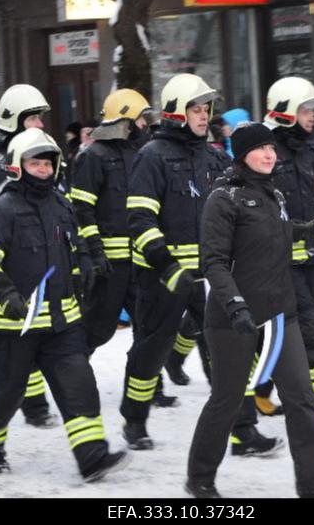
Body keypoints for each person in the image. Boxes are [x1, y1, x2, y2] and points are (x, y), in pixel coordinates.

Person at [186, 123, 314, 499]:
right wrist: (234, 304)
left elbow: (272, 240)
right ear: (242, 155)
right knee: (228, 400)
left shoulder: (274, 194)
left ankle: (313, 485)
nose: (270, 154)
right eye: (261, 149)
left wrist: (306, 230)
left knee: (301, 398)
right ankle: (200, 479)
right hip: (233, 320)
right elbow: (215, 262)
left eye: (272, 148)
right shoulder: (224, 198)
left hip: (278, 314)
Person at [0, 128, 128, 480]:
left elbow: (76, 244)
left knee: (79, 387)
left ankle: (92, 457)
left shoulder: (61, 205)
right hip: (14, 326)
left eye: (47, 164)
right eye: (35, 163)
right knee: (4, 394)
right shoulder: (0, 210)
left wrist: (86, 265)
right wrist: (6, 293)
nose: (42, 170)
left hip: (62, 322)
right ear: (17, 166)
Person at [121, 73, 235, 449]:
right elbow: (140, 218)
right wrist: (166, 265)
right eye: (196, 109)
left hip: (209, 275)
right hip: (162, 275)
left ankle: (242, 426)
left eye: (206, 109)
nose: (204, 116)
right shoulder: (151, 157)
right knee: (152, 349)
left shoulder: (214, 156)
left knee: (227, 346)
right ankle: (135, 419)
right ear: (175, 113)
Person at [0, 83, 57, 428]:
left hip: (42, 260)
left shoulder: (44, 153)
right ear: (14, 120)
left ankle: (34, 403)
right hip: (5, 265)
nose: (40, 125)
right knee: (15, 339)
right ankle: (30, 406)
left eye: (40, 118)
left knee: (39, 332)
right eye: (33, 118)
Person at [265, 76, 314, 431]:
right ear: (288, 111)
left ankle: (260, 390)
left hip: (311, 259)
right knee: (309, 331)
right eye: (307, 109)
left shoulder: (310, 151)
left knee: (283, 334)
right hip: (281, 263)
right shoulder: (265, 151)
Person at [70, 89, 151, 354]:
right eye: (141, 119)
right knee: (97, 330)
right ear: (126, 121)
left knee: (148, 327)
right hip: (107, 267)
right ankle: (72, 377)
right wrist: (94, 252)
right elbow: (81, 209)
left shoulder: (141, 154)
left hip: (139, 263)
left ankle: (149, 390)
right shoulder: (93, 157)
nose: (144, 125)